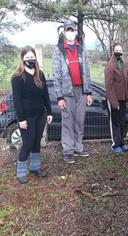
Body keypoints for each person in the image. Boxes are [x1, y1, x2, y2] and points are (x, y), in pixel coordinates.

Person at [52, 19, 93, 164]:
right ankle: (68, 150)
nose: (70, 32)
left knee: (79, 120)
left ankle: (78, 147)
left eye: (72, 30)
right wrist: (59, 97)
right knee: (68, 122)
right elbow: (56, 75)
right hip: (67, 92)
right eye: (68, 30)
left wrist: (88, 92)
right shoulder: (59, 50)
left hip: (81, 91)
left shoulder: (81, 49)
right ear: (64, 32)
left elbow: (87, 72)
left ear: (75, 31)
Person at [11, 46, 53, 183]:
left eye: (32, 57)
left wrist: (49, 112)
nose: (30, 59)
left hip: (40, 115)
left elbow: (45, 95)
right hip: (27, 117)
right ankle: (21, 172)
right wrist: (21, 119)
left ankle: (35, 167)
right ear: (22, 59)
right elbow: (17, 100)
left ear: (35, 58)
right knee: (28, 143)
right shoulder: (17, 77)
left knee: (36, 141)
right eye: (27, 57)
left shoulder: (39, 74)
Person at [104, 42, 128, 154]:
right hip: (114, 99)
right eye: (117, 50)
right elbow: (109, 86)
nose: (119, 52)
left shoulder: (123, 64)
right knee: (115, 122)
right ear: (113, 51)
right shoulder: (110, 66)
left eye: (120, 50)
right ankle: (115, 145)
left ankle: (122, 142)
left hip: (123, 98)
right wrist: (114, 102)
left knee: (122, 121)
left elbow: (126, 82)